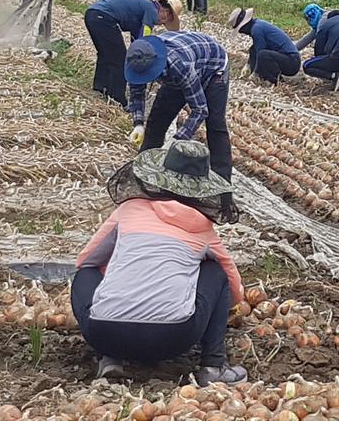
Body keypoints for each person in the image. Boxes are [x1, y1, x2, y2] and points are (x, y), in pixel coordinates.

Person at [71, 139, 247, 385]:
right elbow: (234, 290)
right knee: (217, 272)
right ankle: (213, 366)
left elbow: (86, 260)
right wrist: (222, 305)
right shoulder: (203, 228)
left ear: (159, 177)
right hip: (173, 339)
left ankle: (110, 359)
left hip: (105, 334)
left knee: (85, 272)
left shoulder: (129, 209)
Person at [124, 32, 231, 194]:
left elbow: (200, 109)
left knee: (215, 124)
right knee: (156, 121)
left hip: (213, 67)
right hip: (182, 67)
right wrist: (138, 124)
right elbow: (136, 93)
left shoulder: (179, 66)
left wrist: (176, 140)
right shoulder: (136, 61)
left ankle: (222, 190)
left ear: (158, 66)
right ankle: (142, 175)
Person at [84, 0, 182, 106]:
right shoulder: (152, 11)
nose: (160, 23)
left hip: (92, 14)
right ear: (166, 12)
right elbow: (144, 37)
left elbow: (136, 39)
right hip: (104, 17)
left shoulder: (143, 8)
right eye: (164, 21)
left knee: (105, 54)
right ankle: (117, 99)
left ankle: (100, 87)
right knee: (120, 58)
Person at [228, 7, 300, 84]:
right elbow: (255, 50)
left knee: (263, 55)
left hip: (292, 61)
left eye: (240, 30)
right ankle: (262, 76)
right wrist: (248, 65)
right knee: (253, 49)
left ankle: (275, 79)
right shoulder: (257, 24)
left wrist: (255, 73)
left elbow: (260, 53)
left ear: (244, 26)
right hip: (289, 58)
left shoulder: (256, 30)